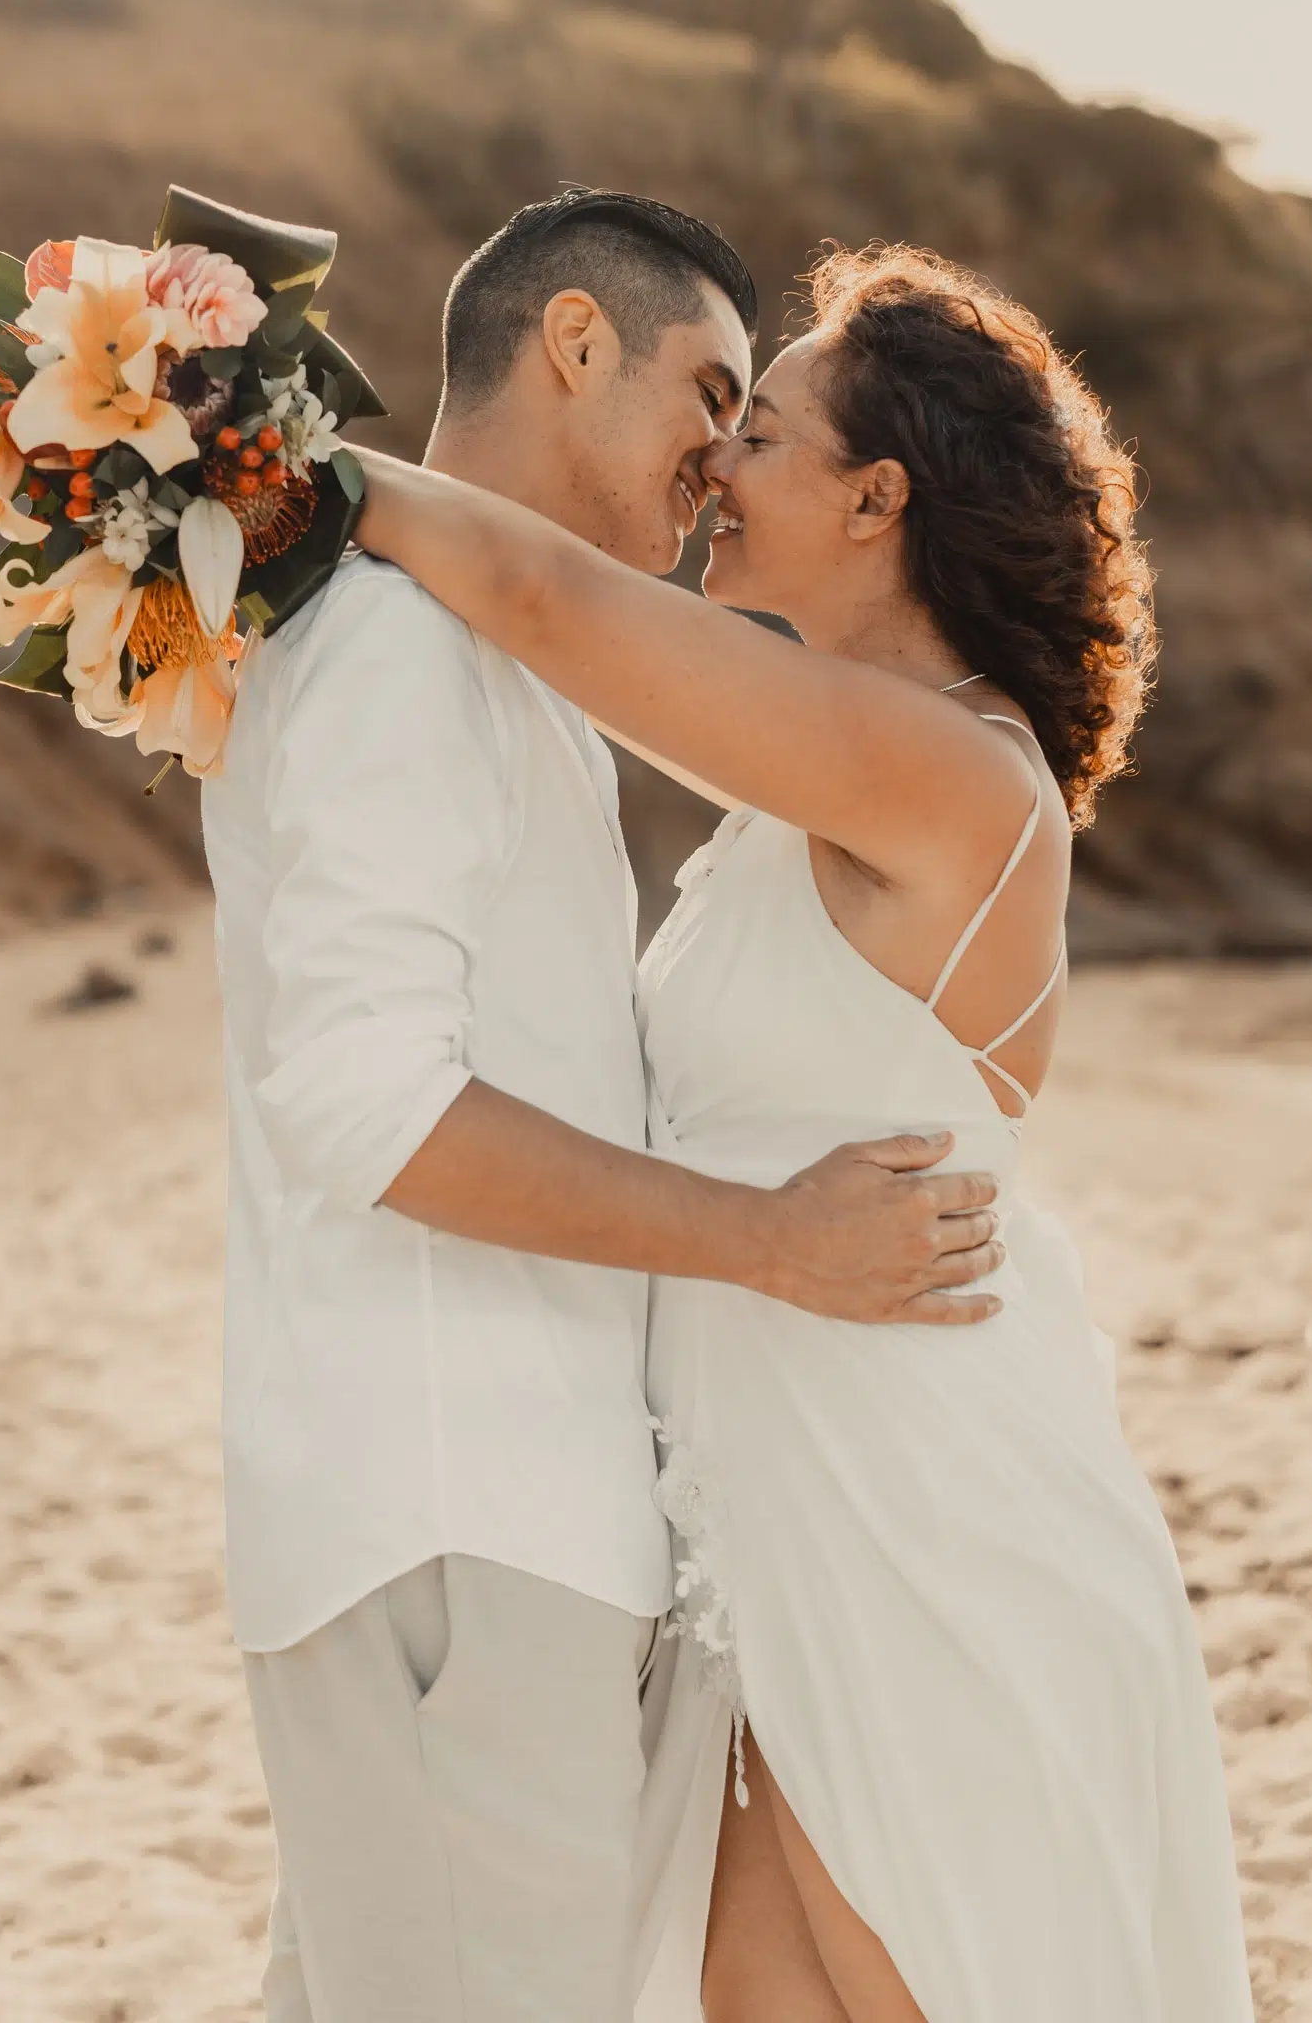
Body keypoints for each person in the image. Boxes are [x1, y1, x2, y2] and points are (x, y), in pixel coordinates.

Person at [352, 242, 1255, 2023]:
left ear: (875, 499)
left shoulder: (953, 775)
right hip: (767, 1522)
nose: (710, 469)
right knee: (758, 1991)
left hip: (923, 1514)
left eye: (752, 433)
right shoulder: (818, 780)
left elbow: (539, 601)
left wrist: (240, 456)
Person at [201, 194, 1004, 2023]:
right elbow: (365, 1104)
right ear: (575, 344)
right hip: (450, 1506)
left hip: (508, 1510)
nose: (720, 464)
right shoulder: (397, 649)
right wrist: (770, 1242)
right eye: (710, 394)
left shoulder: (505, 673)